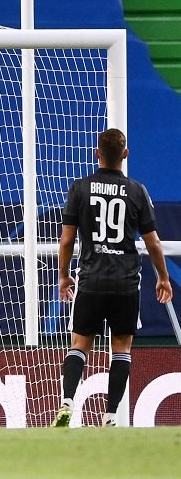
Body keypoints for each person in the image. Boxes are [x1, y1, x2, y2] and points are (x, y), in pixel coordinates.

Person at [53, 128, 173, 428]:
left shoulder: (80, 188)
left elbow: (66, 241)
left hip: (90, 280)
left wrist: (64, 276)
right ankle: (110, 417)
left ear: (97, 154)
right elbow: (153, 243)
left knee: (80, 344)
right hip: (125, 282)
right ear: (125, 154)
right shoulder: (137, 191)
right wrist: (163, 277)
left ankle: (67, 401)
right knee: (121, 347)